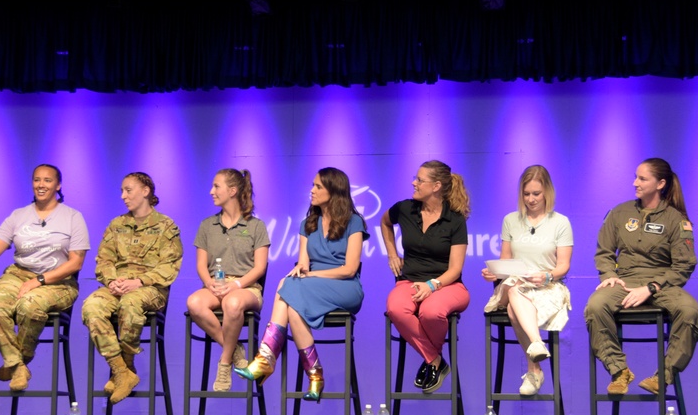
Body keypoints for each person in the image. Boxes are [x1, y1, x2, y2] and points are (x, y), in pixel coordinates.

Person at [235, 167, 368, 401]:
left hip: (345, 287)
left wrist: (311, 276)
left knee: (286, 286)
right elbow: (304, 264)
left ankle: (265, 359)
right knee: (293, 305)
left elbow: (349, 269)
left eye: (318, 186)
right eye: (313, 185)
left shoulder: (354, 222)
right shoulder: (308, 223)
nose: (312, 190)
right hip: (311, 288)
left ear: (334, 191)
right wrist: (300, 270)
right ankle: (315, 377)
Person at [585, 157, 698, 395]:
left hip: (662, 284)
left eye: (642, 178)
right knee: (595, 306)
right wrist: (608, 274)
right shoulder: (620, 213)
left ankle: (664, 375)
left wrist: (651, 287)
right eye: (636, 177)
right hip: (624, 280)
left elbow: (683, 265)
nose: (634, 183)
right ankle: (619, 371)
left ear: (660, 184)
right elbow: (604, 252)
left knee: (690, 311)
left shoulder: (675, 219)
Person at [0, 164, 89, 391]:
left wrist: (39, 281)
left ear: (58, 185)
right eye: (36, 180)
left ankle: (16, 361)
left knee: (29, 306)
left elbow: (76, 262)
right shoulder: (19, 215)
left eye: (47, 180)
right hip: (18, 274)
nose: (41, 185)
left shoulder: (73, 217)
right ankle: (18, 367)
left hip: (58, 280)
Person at [82, 172, 183, 404]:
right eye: (122, 191)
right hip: (117, 285)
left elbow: (169, 266)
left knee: (131, 303)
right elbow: (104, 260)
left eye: (128, 190)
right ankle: (121, 371)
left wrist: (138, 282)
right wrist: (112, 281)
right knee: (92, 306)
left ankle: (126, 364)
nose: (123, 196)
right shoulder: (117, 225)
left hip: (150, 288)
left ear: (145, 191)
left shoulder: (166, 226)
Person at [481, 165, 573, 395]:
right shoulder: (511, 220)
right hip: (516, 283)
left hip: (547, 286)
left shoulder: (560, 222)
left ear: (547, 193)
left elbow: (563, 265)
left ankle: (535, 369)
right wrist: (495, 273)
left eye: (536, 194)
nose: (531, 199)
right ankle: (536, 343)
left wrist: (547, 275)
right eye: (526, 194)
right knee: (513, 287)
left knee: (514, 307)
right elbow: (505, 261)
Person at [381, 160, 471, 394]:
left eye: (420, 180)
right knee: (395, 308)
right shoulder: (405, 209)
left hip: (447, 284)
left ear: (436, 186)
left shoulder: (455, 219)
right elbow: (384, 221)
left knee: (431, 311)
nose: (414, 182)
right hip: (410, 280)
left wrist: (432, 285)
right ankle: (435, 361)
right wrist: (392, 254)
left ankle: (431, 361)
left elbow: (455, 269)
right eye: (415, 178)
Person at [186, 169, 271, 392]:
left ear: (232, 191)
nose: (211, 191)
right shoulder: (207, 225)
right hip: (216, 284)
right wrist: (209, 282)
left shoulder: (256, 226)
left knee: (232, 303)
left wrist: (236, 285)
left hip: (246, 288)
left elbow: (260, 267)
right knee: (194, 303)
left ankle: (224, 363)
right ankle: (234, 351)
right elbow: (201, 265)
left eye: (216, 186)